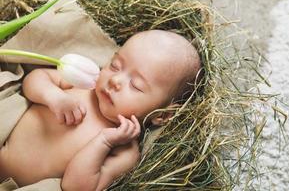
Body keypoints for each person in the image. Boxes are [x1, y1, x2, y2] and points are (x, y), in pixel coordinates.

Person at [0, 30, 200, 191]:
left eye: (136, 85)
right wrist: (53, 96)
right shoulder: (86, 83)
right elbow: (34, 79)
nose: (115, 80)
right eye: (115, 65)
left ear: (161, 115)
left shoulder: (125, 152)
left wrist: (103, 142)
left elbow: (75, 186)